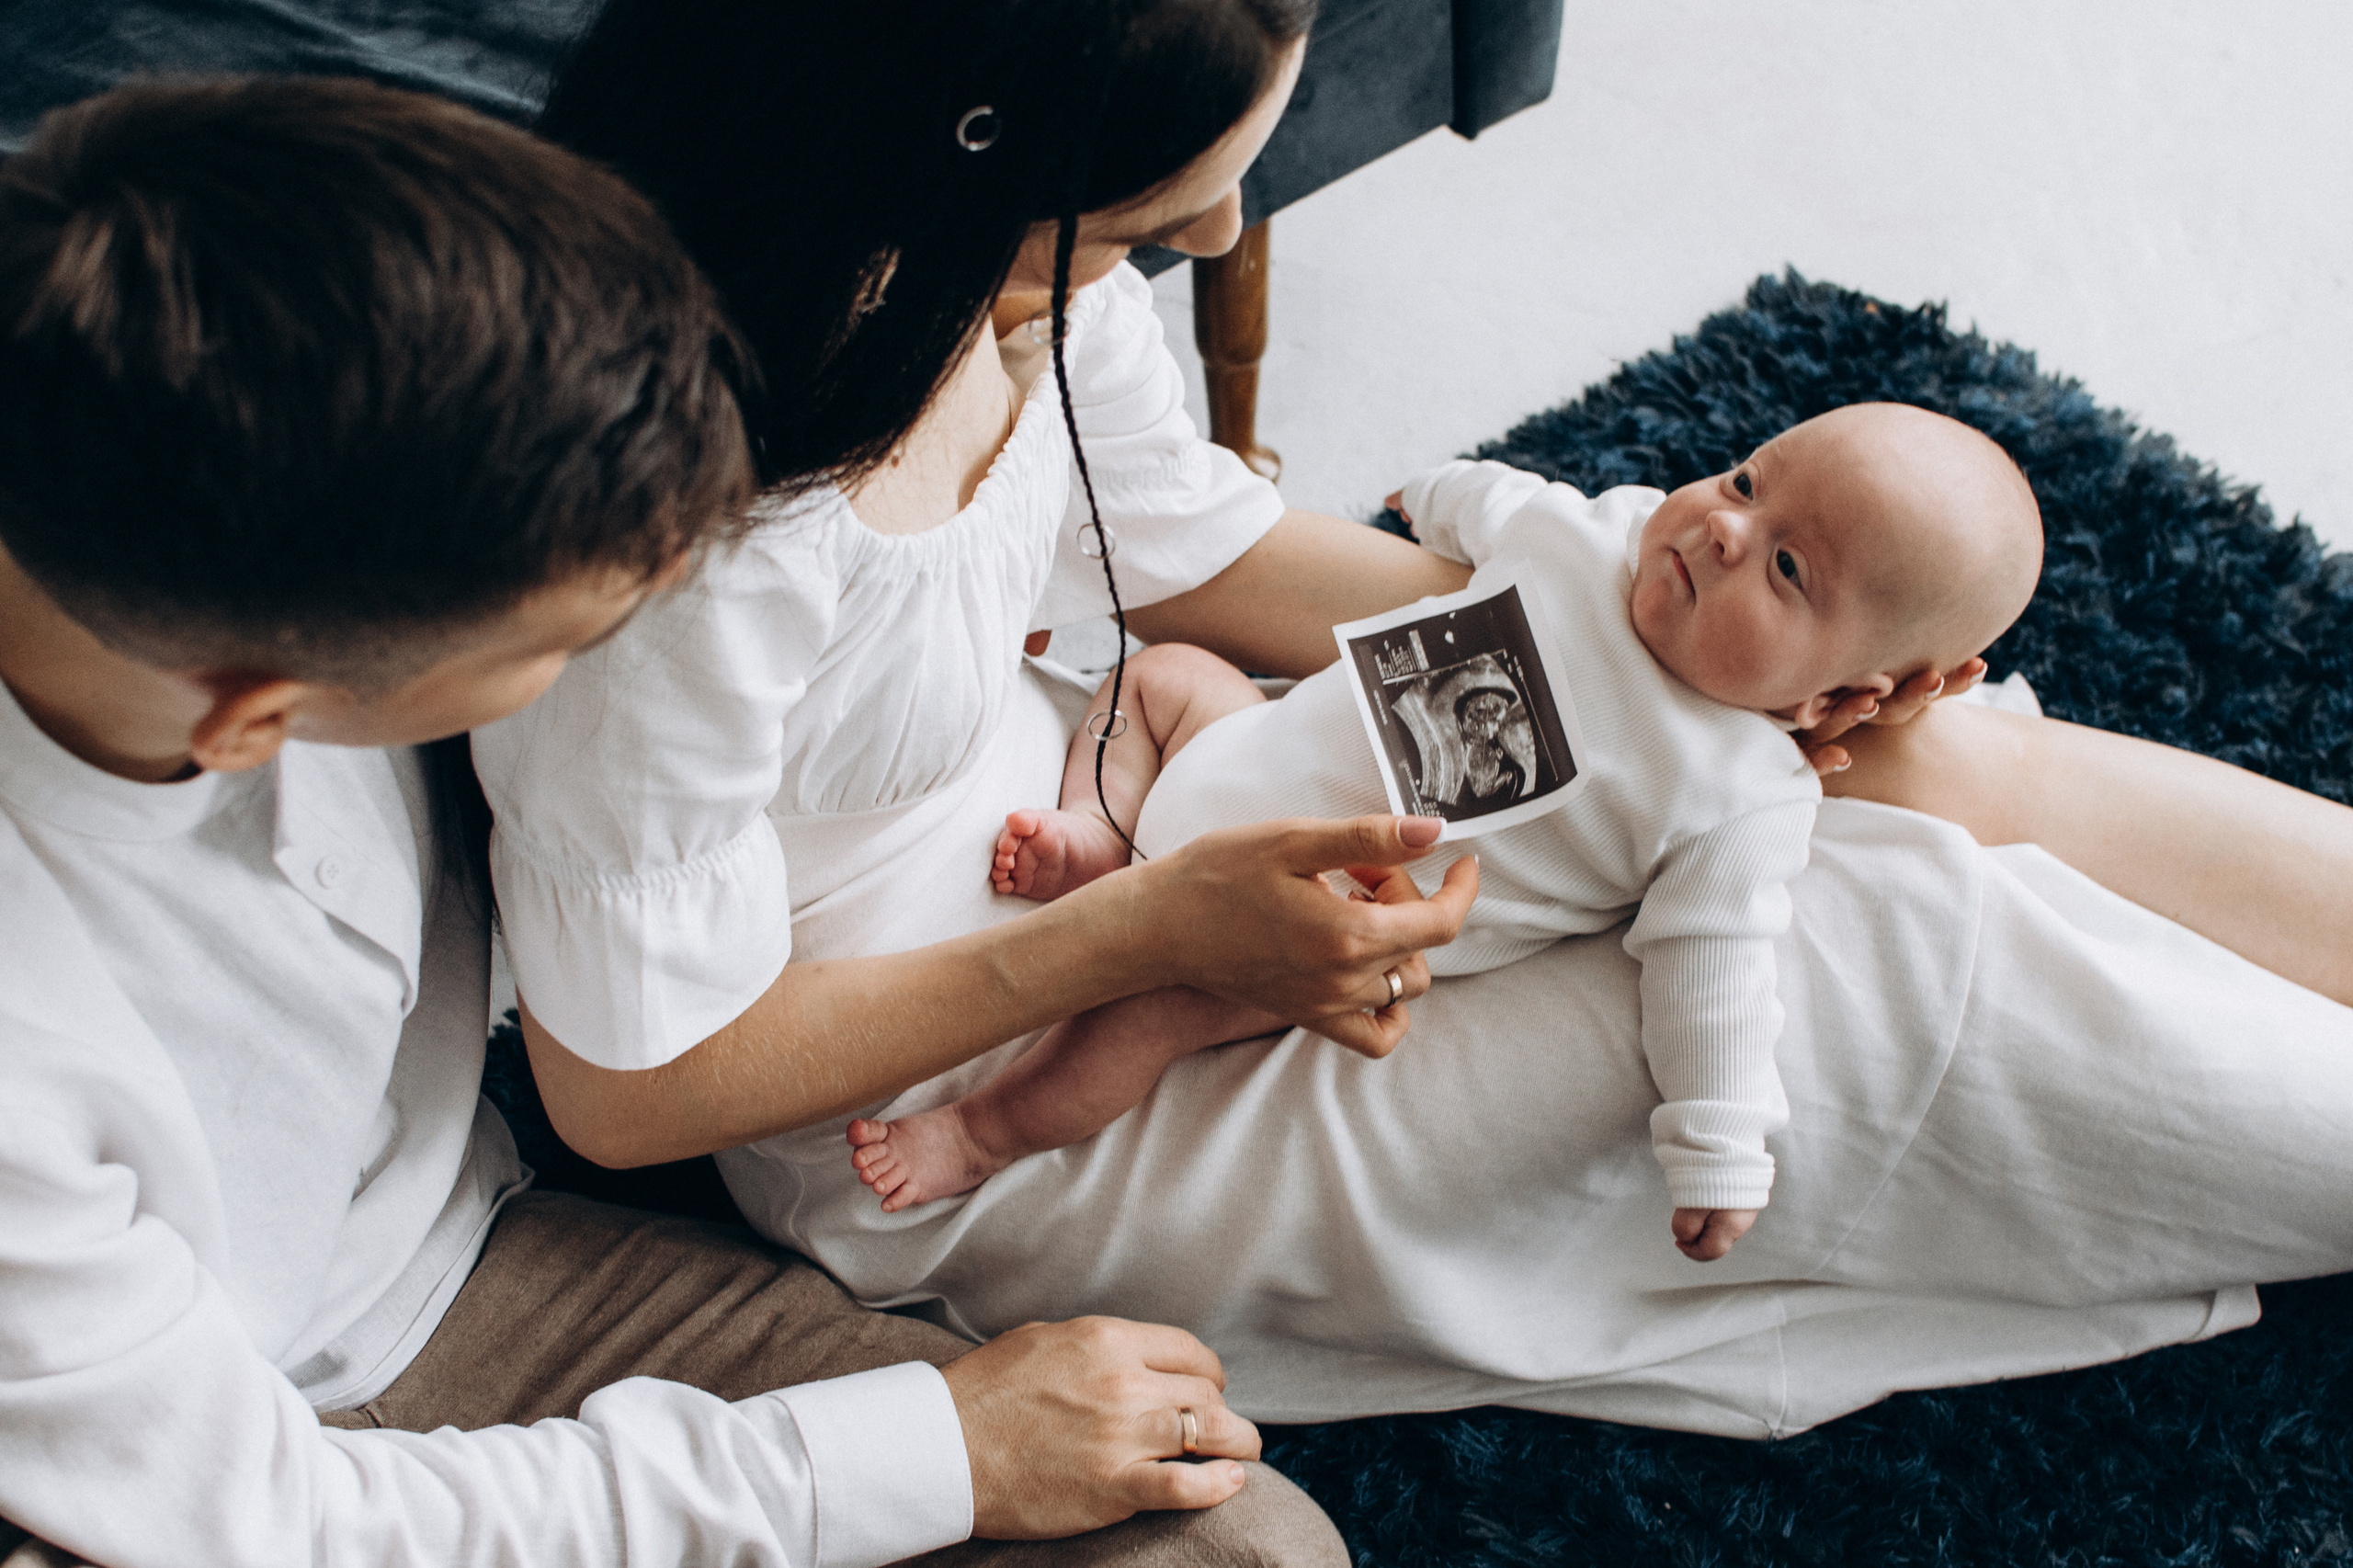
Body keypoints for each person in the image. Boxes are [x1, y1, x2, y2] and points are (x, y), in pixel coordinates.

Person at [483, 0, 2353, 1447]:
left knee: (1899, 762)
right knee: (1861, 962)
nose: (1225, 226)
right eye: (1167, 205)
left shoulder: (1021, 287)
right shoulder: (704, 546)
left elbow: (1202, 547)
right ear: (977, 146)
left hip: (1113, 792)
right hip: (956, 1081)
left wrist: (1637, 673)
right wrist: (1152, 930)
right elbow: (624, 1092)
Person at [0, 77, 1352, 1568]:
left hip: (474, 1243)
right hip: (253, 1478)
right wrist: (948, 1449)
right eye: (564, 647)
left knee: (1237, 1549)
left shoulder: (203, 350)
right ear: (261, 727)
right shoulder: (30, 1062)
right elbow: (279, 1525)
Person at [856, 406, 2043, 1256]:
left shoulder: (1739, 791)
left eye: (1785, 567)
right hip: (1232, 752)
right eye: (1744, 480)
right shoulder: (1600, 536)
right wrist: (1433, 489)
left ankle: (983, 1132)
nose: (1725, 528)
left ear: (1857, 691)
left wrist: (1721, 1142)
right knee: (1160, 674)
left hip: (1305, 925)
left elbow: (1719, 969)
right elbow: (1502, 502)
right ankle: (1103, 829)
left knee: (1139, 1023)